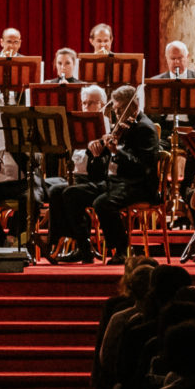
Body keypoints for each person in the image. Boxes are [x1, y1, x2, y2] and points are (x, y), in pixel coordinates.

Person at [48, 83, 161, 262]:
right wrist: (96, 154)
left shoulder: (145, 128)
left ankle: (121, 250)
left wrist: (117, 152)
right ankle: (84, 248)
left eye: (121, 109)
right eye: (116, 109)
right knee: (70, 193)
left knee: (103, 203)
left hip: (138, 184)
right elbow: (101, 169)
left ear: (135, 106)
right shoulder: (120, 126)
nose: (117, 114)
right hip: (115, 182)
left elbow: (143, 166)